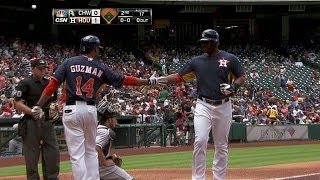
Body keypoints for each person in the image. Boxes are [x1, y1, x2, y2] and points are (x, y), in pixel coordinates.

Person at [35, 35, 157, 180]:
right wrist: (147, 81)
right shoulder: (100, 66)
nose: (98, 51)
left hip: (72, 110)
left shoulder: (68, 62)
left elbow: (52, 84)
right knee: (90, 152)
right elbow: (124, 79)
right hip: (90, 110)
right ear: (93, 49)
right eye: (98, 48)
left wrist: (38, 105)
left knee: (77, 155)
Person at [154, 29, 246, 180]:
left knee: (221, 145)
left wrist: (233, 87)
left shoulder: (230, 58)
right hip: (203, 104)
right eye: (202, 42)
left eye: (206, 42)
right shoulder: (196, 61)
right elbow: (178, 77)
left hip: (223, 106)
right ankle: (198, 178)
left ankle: (219, 178)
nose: (203, 45)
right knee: (200, 140)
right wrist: (158, 80)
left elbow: (241, 77)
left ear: (215, 42)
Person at [14, 58, 60, 180]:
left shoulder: (49, 83)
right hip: (31, 122)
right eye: (40, 69)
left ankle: (52, 178)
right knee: (31, 155)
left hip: (47, 122)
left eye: (44, 68)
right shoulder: (25, 83)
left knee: (52, 152)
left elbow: (55, 102)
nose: (43, 71)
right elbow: (18, 103)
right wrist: (32, 111)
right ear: (33, 69)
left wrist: (56, 109)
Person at [96, 96, 134, 180]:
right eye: (114, 118)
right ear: (109, 120)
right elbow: (96, 147)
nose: (116, 121)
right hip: (100, 167)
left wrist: (109, 157)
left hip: (90, 166)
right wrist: (104, 162)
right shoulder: (105, 132)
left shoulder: (96, 128)